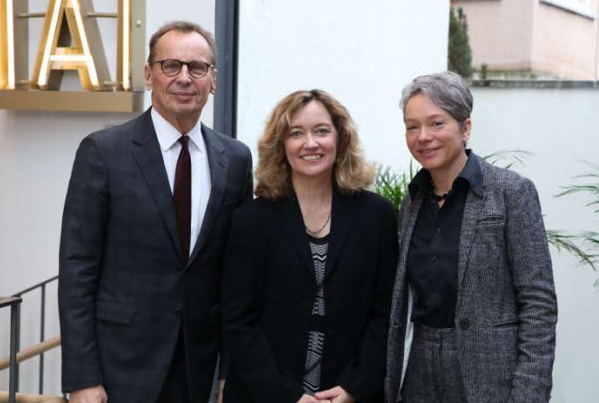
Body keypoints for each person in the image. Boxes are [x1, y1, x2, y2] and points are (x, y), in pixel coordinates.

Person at [58, 21, 253, 403]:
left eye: (197, 68)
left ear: (212, 80)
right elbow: (78, 270)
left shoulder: (235, 158)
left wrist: (232, 370)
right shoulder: (103, 152)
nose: (184, 78)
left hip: (198, 368)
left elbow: (237, 276)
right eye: (171, 66)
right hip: (119, 368)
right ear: (149, 75)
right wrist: (82, 378)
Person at [385, 71, 557, 403]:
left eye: (437, 123)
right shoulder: (413, 201)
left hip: (489, 375)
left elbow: (538, 304)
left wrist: (529, 394)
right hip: (418, 367)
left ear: (465, 128)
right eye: (412, 126)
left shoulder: (511, 193)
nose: (423, 136)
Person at [222, 89, 398, 403]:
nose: (311, 143)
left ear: (340, 139)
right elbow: (238, 321)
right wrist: (290, 396)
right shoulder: (251, 220)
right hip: (266, 394)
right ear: (281, 145)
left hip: (347, 395)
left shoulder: (377, 216)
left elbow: (384, 315)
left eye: (321, 131)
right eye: (296, 133)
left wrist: (354, 387)